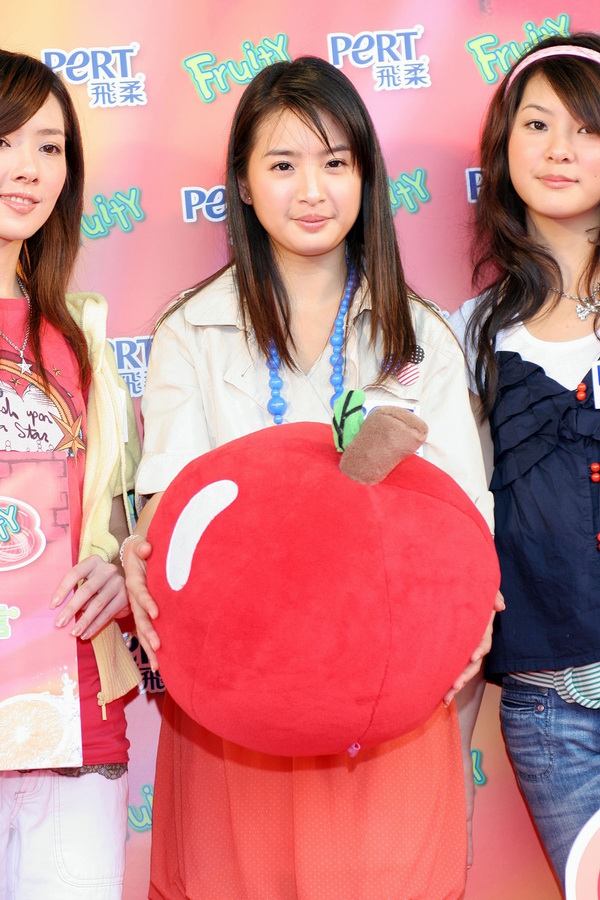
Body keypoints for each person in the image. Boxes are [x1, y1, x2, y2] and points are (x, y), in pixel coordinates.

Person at [124, 56, 494, 899]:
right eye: (283, 165)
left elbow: (463, 522)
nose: (313, 191)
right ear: (243, 184)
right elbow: (170, 514)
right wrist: (143, 560)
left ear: (365, 175)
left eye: (335, 162)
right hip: (239, 708)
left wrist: (470, 610)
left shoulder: (420, 339)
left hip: (387, 709)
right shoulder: (191, 332)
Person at [450, 32, 600, 890]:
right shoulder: (468, 336)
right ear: (505, 145)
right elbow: (458, 534)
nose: (560, 149)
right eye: (538, 124)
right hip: (551, 710)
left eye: (587, 128)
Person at [0, 50, 141, 899]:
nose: (28, 167)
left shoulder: (81, 338)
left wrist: (123, 566)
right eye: (4, 140)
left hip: (74, 720)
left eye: (49, 147)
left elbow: (120, 511)